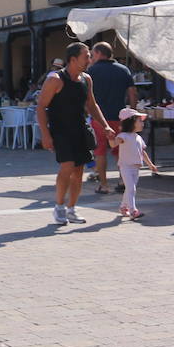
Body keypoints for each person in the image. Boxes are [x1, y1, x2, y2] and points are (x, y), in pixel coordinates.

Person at [36, 42, 115, 226]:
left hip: (80, 129)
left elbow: (92, 105)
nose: (90, 59)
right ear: (73, 59)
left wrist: (105, 126)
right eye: (86, 56)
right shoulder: (55, 79)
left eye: (89, 56)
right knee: (67, 167)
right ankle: (59, 207)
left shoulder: (86, 79)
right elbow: (41, 107)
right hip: (61, 131)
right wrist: (45, 135)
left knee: (78, 171)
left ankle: (72, 209)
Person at [86, 42, 137, 195]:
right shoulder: (123, 69)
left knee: (100, 151)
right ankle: (122, 181)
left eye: (93, 54)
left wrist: (86, 111)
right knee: (121, 151)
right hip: (120, 117)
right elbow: (133, 93)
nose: (92, 58)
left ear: (100, 54)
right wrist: (132, 113)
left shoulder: (91, 72)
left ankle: (104, 185)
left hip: (99, 118)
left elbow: (86, 95)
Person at [110, 107, 157, 221]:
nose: (142, 123)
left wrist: (150, 164)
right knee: (131, 188)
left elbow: (142, 152)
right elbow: (113, 144)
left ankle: (123, 206)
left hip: (136, 167)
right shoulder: (123, 136)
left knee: (130, 189)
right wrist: (110, 137)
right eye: (139, 120)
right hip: (125, 166)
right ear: (130, 122)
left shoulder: (139, 138)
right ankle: (133, 210)